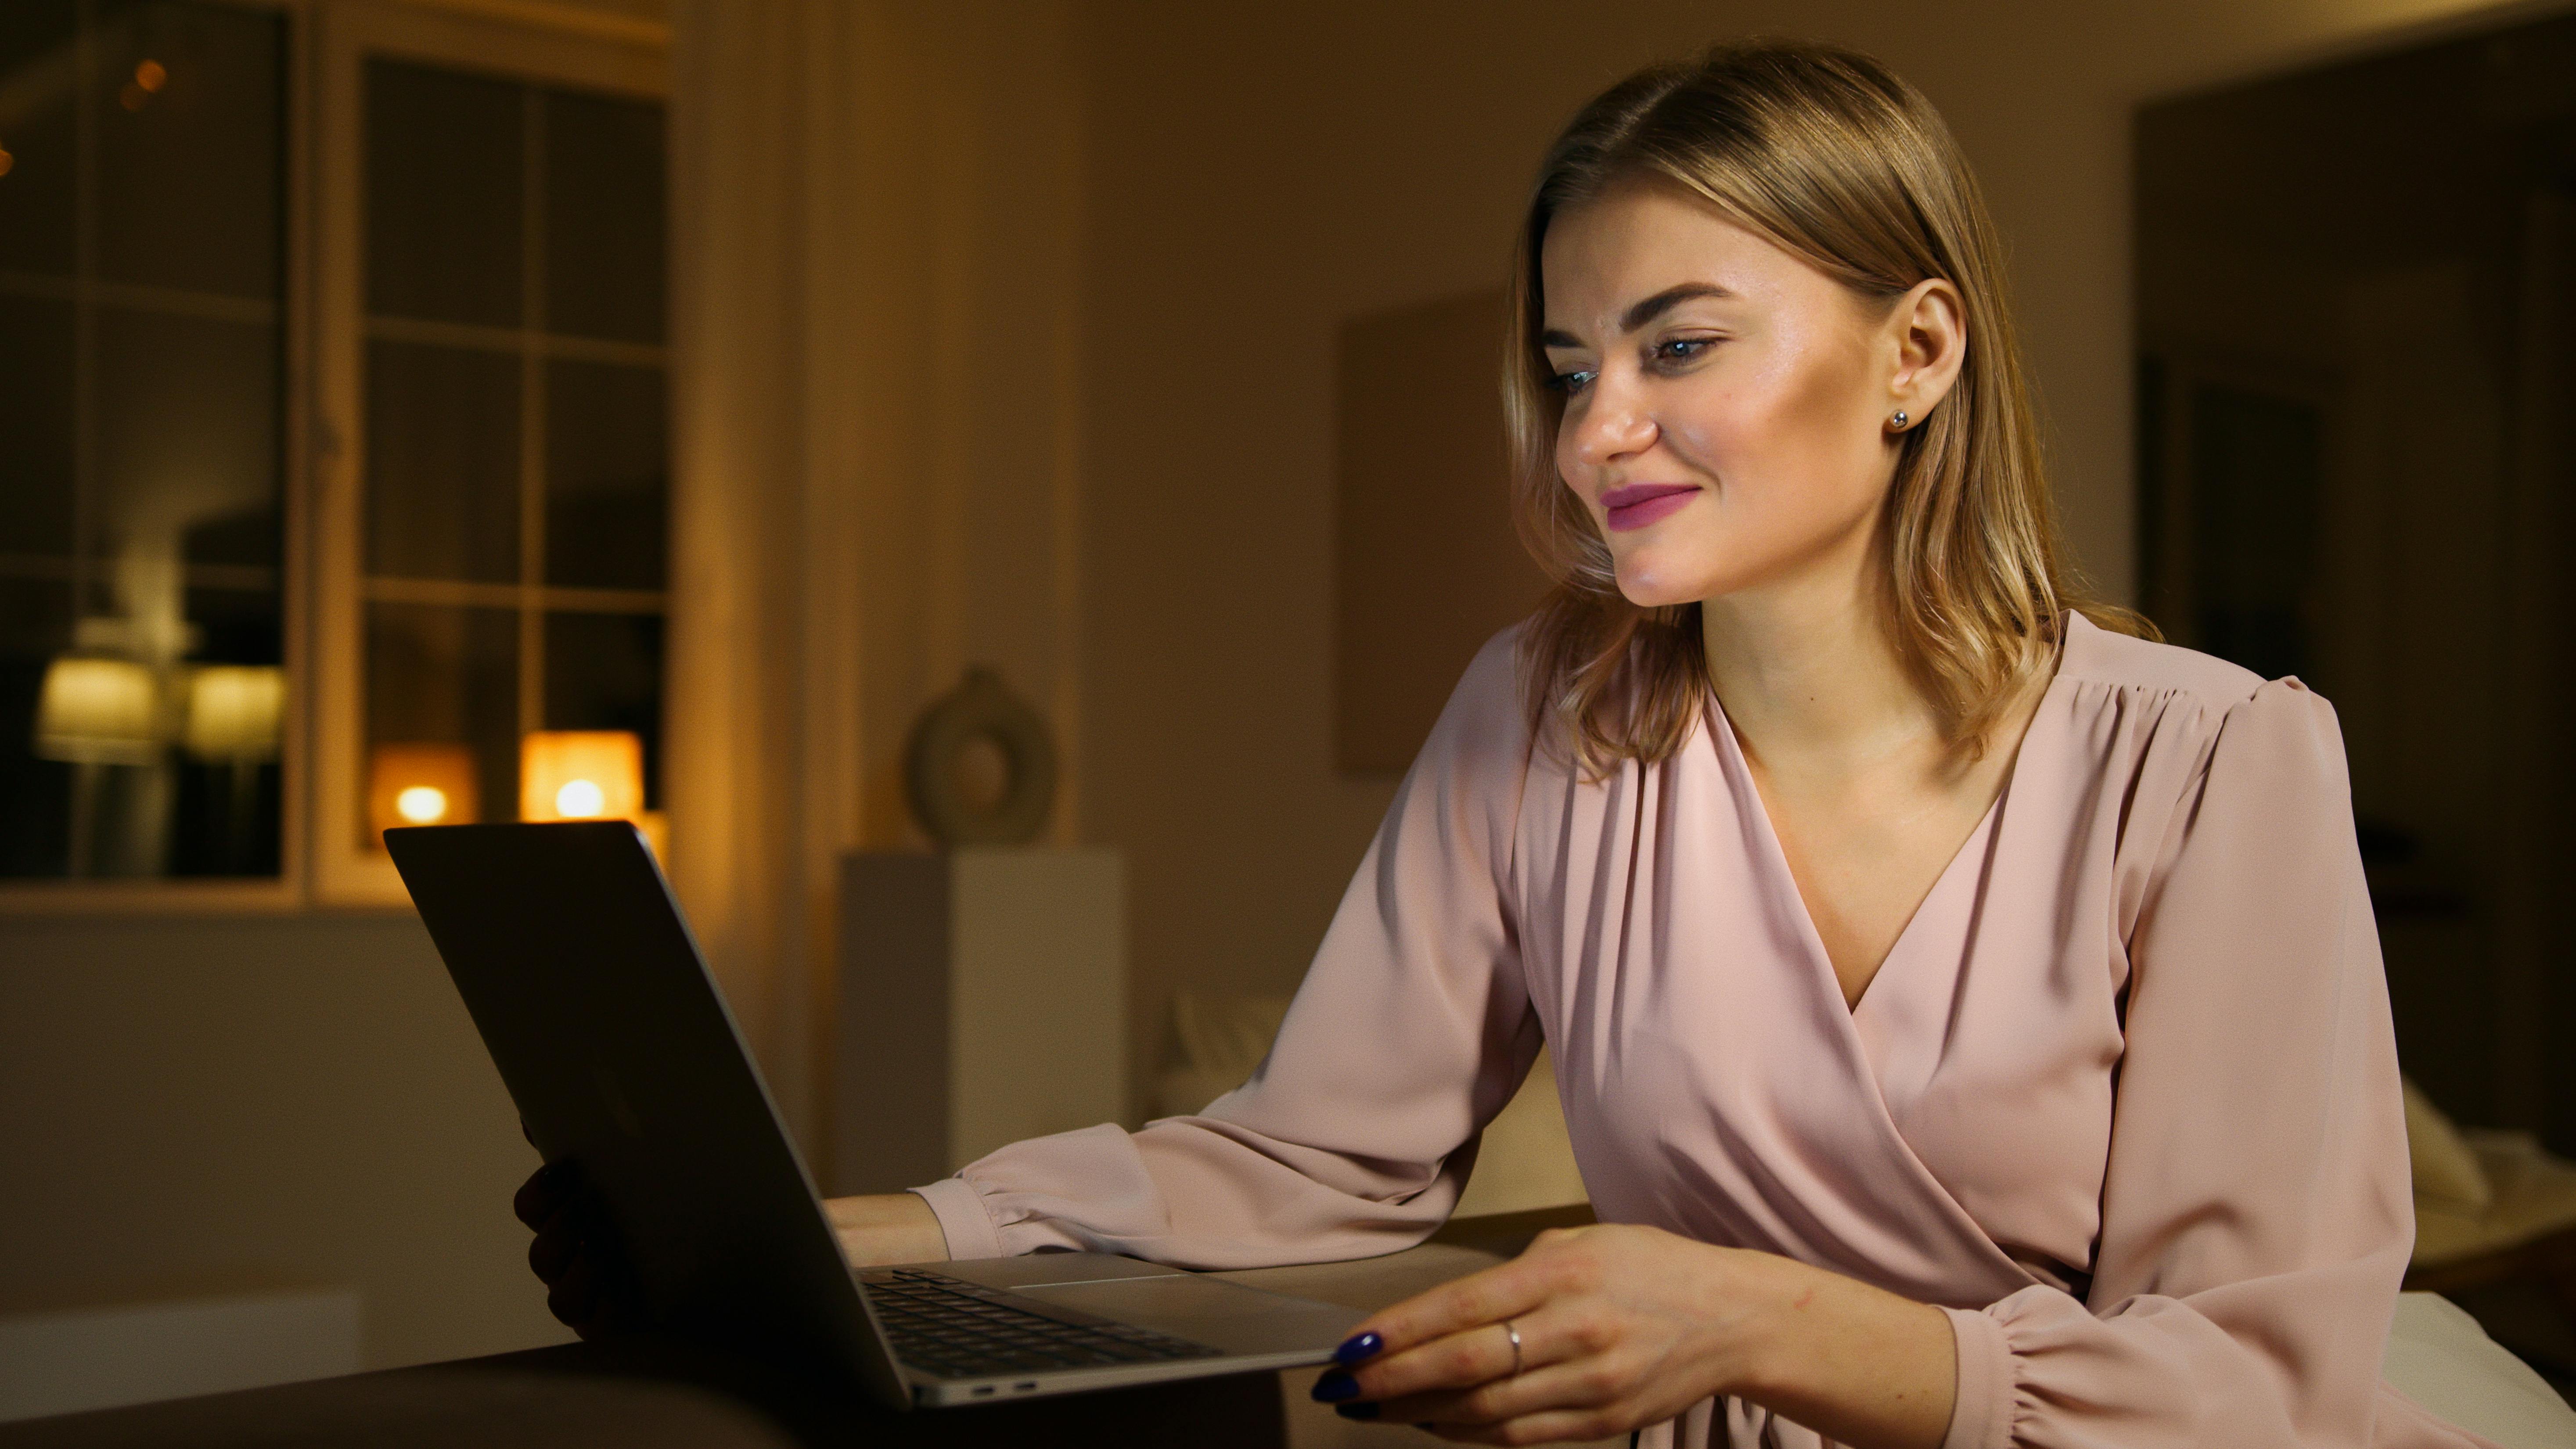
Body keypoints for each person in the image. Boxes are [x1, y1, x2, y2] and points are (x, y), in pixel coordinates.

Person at [520, 39, 2497, 1449]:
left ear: (1920, 352)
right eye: (1570, 365)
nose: (1590, 432)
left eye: (1678, 343)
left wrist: (1761, 1318)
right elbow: (1305, 1165)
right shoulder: (1541, 724)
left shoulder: (2216, 765)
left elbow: (2258, 1390)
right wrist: (836, 1237)